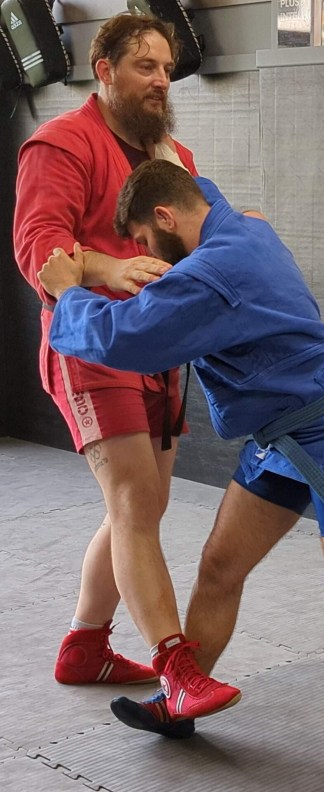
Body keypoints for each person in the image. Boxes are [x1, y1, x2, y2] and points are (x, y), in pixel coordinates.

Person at [38, 158, 324, 790]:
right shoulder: (240, 224)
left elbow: (125, 339)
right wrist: (154, 165)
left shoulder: (212, 275)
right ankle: (181, 699)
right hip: (277, 439)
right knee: (219, 568)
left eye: (146, 241)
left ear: (165, 217)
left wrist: (68, 290)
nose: (146, 257)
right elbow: (193, 190)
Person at [12, 13, 240, 716]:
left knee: (142, 506)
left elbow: (198, 242)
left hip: (157, 354)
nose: (161, 80)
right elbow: (39, 252)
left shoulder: (172, 157)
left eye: (167, 68)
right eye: (146, 66)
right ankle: (179, 670)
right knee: (137, 502)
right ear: (104, 70)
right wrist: (108, 268)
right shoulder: (60, 144)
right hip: (90, 348)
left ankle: (85, 645)